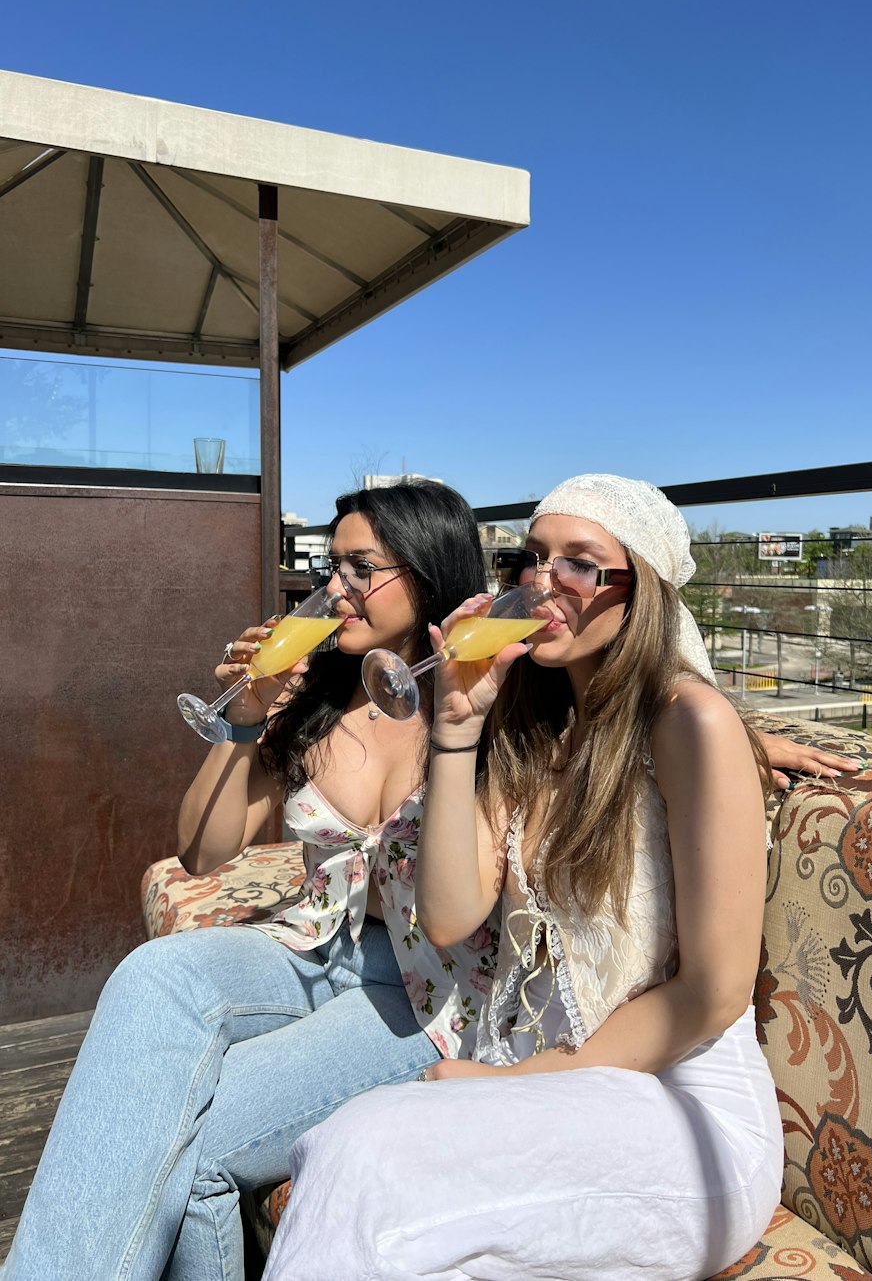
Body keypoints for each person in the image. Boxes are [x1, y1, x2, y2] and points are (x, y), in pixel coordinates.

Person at [261, 475, 788, 1281]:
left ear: (637, 589)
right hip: (554, 1094)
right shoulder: (530, 731)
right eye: (532, 559)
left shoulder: (690, 722)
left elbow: (714, 992)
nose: (543, 583)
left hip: (682, 1113)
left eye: (580, 564)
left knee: (358, 1150)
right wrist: (457, 728)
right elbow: (447, 917)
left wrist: (519, 1080)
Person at [1, 480, 501, 1281]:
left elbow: (626, 704)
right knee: (153, 976)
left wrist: (745, 742)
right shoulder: (318, 699)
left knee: (190, 1131)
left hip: (424, 993)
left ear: (428, 568)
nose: (333, 589)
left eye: (360, 568)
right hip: (314, 948)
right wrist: (245, 721)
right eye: (329, 566)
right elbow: (202, 850)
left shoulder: (484, 701)